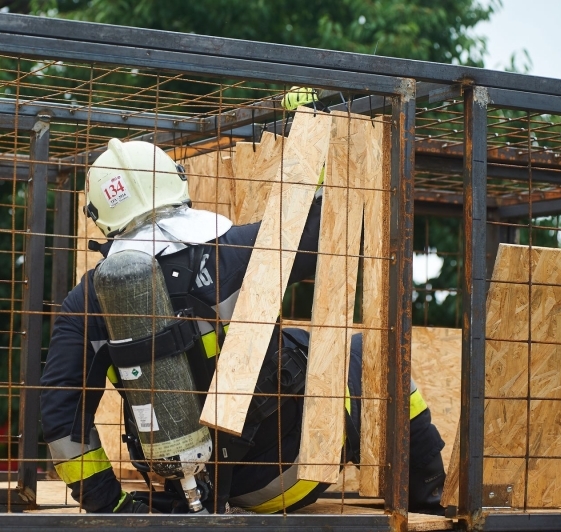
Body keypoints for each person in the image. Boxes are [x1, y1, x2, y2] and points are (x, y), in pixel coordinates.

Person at [40, 96, 446, 514]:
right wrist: (311, 124)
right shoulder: (240, 249)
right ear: (176, 182)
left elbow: (60, 416)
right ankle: (428, 502)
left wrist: (112, 506)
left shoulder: (84, 302)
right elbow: (332, 223)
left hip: (192, 491)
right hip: (291, 474)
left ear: (100, 215)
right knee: (373, 355)